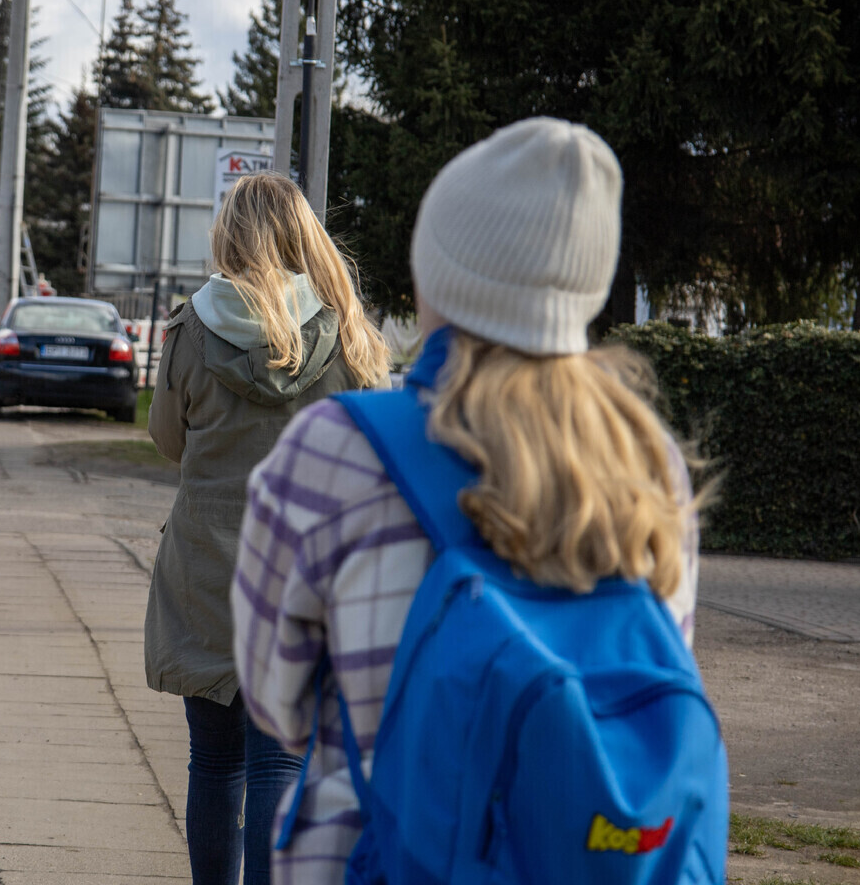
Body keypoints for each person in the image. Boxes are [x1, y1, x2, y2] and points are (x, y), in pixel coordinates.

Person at [232, 118, 706, 884]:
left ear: (436, 276)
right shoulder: (652, 464)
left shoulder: (336, 450)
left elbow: (274, 699)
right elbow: (657, 679)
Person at [145, 171, 390, 885]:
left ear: (231, 233)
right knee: (282, 760)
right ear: (301, 235)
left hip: (207, 572)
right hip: (306, 575)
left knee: (213, 762)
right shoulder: (343, 330)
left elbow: (167, 440)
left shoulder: (191, 327)